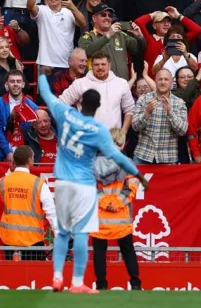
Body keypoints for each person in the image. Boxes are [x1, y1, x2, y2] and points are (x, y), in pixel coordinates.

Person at [37, 75, 148, 294]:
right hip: (114, 211)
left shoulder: (68, 118)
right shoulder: (106, 142)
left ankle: (74, 279)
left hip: (82, 199)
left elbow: (48, 96)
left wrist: (42, 74)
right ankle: (128, 284)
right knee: (121, 249)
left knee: (75, 239)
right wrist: (124, 193)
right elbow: (128, 177)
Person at [91, 128, 142, 290]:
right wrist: (117, 203)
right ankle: (135, 283)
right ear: (121, 143)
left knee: (100, 252)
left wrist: (106, 203)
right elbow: (132, 188)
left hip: (100, 217)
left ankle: (101, 285)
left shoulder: (92, 164)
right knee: (128, 250)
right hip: (121, 217)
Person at [0, 145, 57, 261]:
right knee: (34, 277)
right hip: (32, 240)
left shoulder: (3, 182)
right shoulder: (38, 184)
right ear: (29, 160)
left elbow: (7, 180)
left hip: (9, 239)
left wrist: (10, 170)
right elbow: (51, 212)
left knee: (12, 276)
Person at [59, 52, 134, 134]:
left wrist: (123, 132)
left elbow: (130, 110)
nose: (100, 67)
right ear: (91, 66)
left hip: (113, 140)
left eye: (103, 64)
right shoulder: (80, 83)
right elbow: (60, 104)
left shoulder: (121, 83)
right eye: (96, 64)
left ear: (109, 65)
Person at [131, 68, 188, 164]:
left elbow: (182, 131)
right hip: (143, 156)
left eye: (166, 79)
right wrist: (147, 114)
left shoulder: (179, 103)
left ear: (171, 81)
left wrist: (170, 112)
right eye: (160, 79)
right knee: (134, 180)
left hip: (167, 158)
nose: (163, 82)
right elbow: (135, 127)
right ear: (155, 81)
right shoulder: (143, 99)